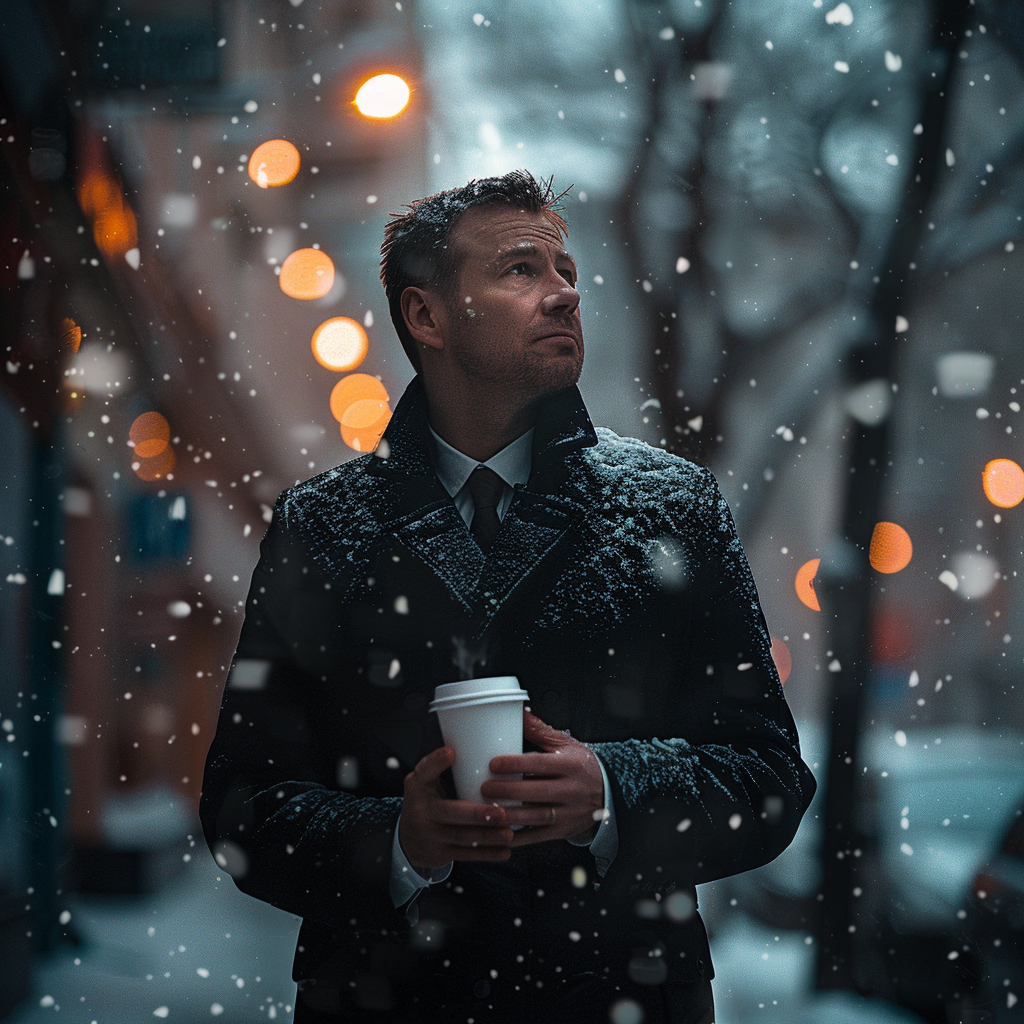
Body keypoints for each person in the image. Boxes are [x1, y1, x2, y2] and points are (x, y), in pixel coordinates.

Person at [200, 170, 816, 1024]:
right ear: (427, 316)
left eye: (566, 272)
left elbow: (768, 779)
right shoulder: (323, 525)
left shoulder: (672, 507)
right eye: (522, 270)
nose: (563, 295)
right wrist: (400, 843)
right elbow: (245, 806)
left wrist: (610, 792)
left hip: (618, 996)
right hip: (387, 998)